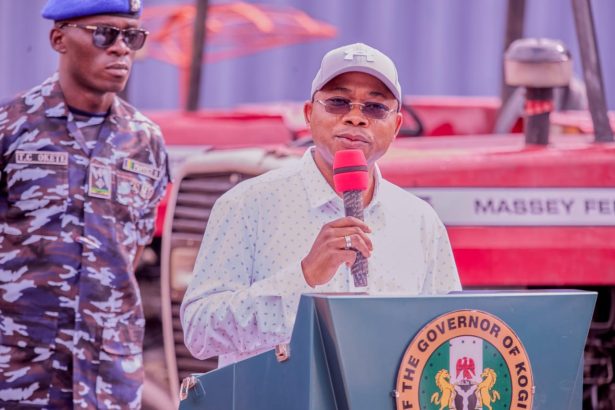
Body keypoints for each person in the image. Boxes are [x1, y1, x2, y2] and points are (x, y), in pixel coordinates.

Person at [181, 42, 461, 367]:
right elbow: (200, 333)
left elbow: (450, 339)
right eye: (339, 102)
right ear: (309, 114)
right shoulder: (247, 205)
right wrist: (304, 277)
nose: (356, 118)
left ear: (396, 126)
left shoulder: (419, 221)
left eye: (374, 108)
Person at [0, 0, 169, 408]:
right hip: (20, 370)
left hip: (107, 376)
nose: (120, 48)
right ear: (59, 39)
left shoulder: (145, 141)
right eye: (104, 34)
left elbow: (133, 248)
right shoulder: (12, 127)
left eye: (132, 37)